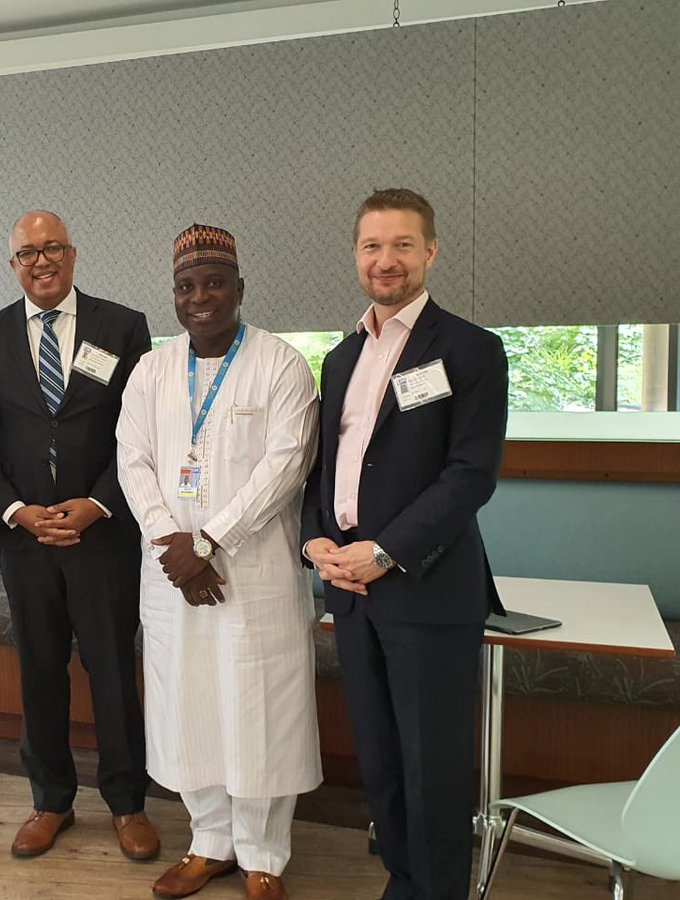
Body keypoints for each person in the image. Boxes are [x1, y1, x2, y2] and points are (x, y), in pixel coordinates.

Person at [300, 189, 509, 900]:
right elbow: (322, 470)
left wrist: (383, 550)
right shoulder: (339, 357)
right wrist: (317, 543)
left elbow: (469, 477)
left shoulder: (471, 350)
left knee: (433, 768)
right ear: (355, 254)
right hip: (352, 593)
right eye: (371, 246)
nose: (385, 260)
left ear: (431, 251)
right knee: (382, 763)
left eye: (401, 245)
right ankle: (403, 884)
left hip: (425, 590)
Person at [117, 225, 322, 900]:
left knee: (256, 706)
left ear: (239, 288)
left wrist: (208, 542)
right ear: (173, 296)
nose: (199, 297)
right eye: (185, 285)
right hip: (172, 571)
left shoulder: (281, 364)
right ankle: (208, 842)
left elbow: (286, 467)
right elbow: (134, 461)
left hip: (252, 572)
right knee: (188, 702)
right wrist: (170, 541)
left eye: (213, 283)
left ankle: (264, 852)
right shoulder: (150, 369)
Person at [0, 210, 158, 861]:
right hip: (25, 541)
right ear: (11, 264)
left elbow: (141, 431)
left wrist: (99, 503)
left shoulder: (122, 327)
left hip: (102, 538)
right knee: (40, 672)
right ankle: (50, 801)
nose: (40, 262)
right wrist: (16, 509)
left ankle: (127, 804)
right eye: (26, 253)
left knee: (111, 672)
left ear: (73, 255)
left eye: (52, 249)